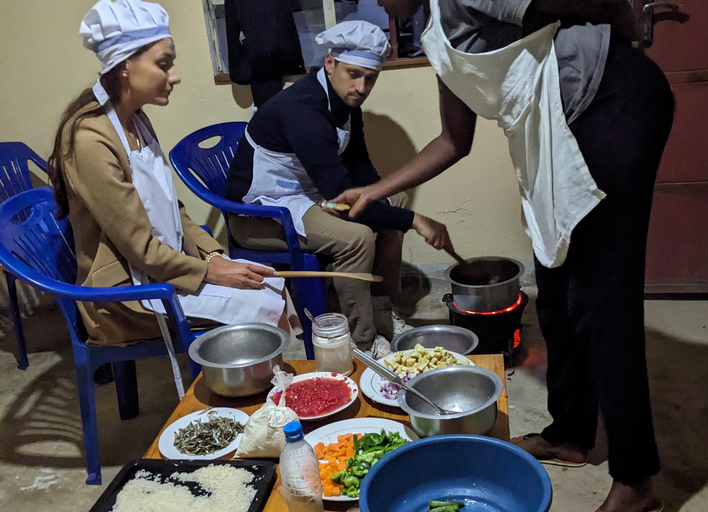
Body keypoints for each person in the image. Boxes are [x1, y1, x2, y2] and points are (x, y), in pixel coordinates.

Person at [333, 1, 675, 511]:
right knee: (556, 294)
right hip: (555, 133)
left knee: (605, 301)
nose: (378, 2)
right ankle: (569, 435)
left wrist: (632, 27)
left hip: (610, 102)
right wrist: (375, 192)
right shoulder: (432, 32)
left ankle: (635, 481)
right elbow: (454, 139)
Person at [48, 0, 297, 369]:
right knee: (264, 305)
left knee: (271, 284)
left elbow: (173, 210)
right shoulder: (90, 138)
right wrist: (209, 272)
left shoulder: (137, 121)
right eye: (163, 64)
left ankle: (283, 393)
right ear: (124, 67)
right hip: (125, 293)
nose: (175, 75)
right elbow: (140, 249)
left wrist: (216, 257)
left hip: (162, 267)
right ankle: (270, 405)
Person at [225, 20, 452, 354]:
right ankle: (362, 340)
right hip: (262, 213)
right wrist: (417, 221)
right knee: (356, 239)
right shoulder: (303, 111)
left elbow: (358, 165)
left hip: (307, 192)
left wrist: (387, 201)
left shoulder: (342, 100)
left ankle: (383, 309)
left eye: (370, 78)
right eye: (353, 74)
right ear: (329, 64)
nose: (361, 87)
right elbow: (338, 192)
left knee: (397, 201)